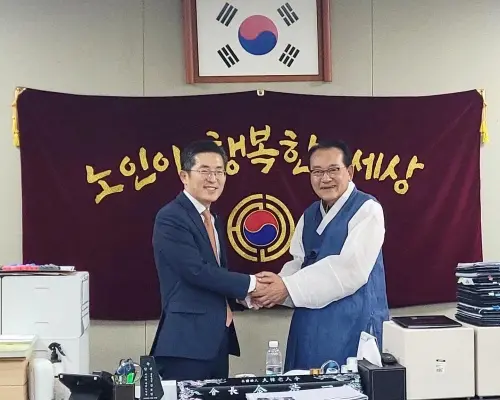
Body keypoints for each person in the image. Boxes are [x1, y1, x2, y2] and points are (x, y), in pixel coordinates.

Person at [251, 140, 389, 371]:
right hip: (308, 323)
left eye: (333, 170)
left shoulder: (367, 209)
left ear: (350, 172)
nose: (325, 178)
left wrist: (287, 287)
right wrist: (269, 289)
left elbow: (350, 269)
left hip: (352, 322)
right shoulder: (310, 214)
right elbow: (298, 263)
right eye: (317, 172)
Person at [150, 140, 265, 380]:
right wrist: (252, 284)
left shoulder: (212, 218)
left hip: (217, 339)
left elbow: (215, 274)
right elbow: (196, 271)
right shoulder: (171, 216)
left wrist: (242, 296)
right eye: (204, 171)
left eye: (219, 171)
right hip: (186, 343)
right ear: (184, 176)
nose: (213, 179)